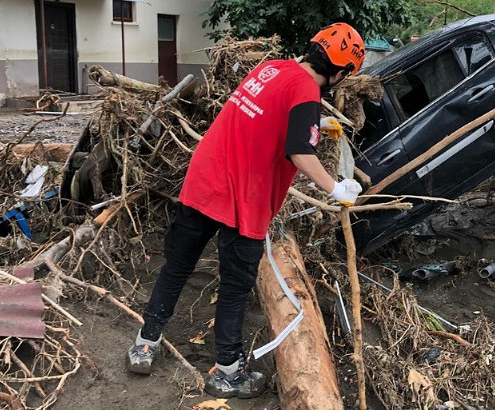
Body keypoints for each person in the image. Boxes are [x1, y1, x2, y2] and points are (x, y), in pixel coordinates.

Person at [126, 23, 366, 399]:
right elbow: (300, 152)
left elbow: (266, 113)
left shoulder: (270, 68)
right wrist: (336, 187)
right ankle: (228, 372)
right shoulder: (306, 92)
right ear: (339, 73)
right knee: (235, 287)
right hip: (243, 198)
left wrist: (313, 124)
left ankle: (145, 342)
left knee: (176, 267)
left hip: (204, 180)